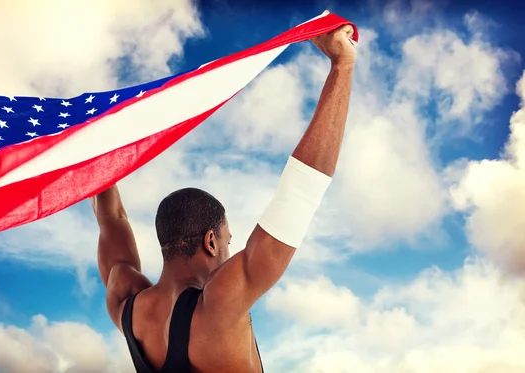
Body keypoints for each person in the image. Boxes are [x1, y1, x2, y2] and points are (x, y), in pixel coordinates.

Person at [91, 24, 356, 373]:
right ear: (211, 241)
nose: (231, 249)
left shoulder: (125, 301)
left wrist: (90, 144)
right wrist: (342, 66)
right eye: (229, 241)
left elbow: (111, 219)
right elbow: (299, 194)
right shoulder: (218, 307)